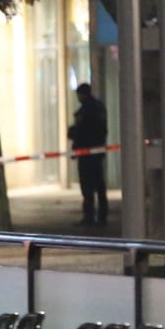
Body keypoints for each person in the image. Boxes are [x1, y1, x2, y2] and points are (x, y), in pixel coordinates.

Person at [69, 83, 109, 226]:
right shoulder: (99, 107)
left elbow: (80, 132)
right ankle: (102, 215)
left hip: (86, 153)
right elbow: (103, 130)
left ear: (82, 95)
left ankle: (89, 216)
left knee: (87, 186)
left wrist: (74, 146)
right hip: (97, 151)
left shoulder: (85, 110)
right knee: (99, 184)